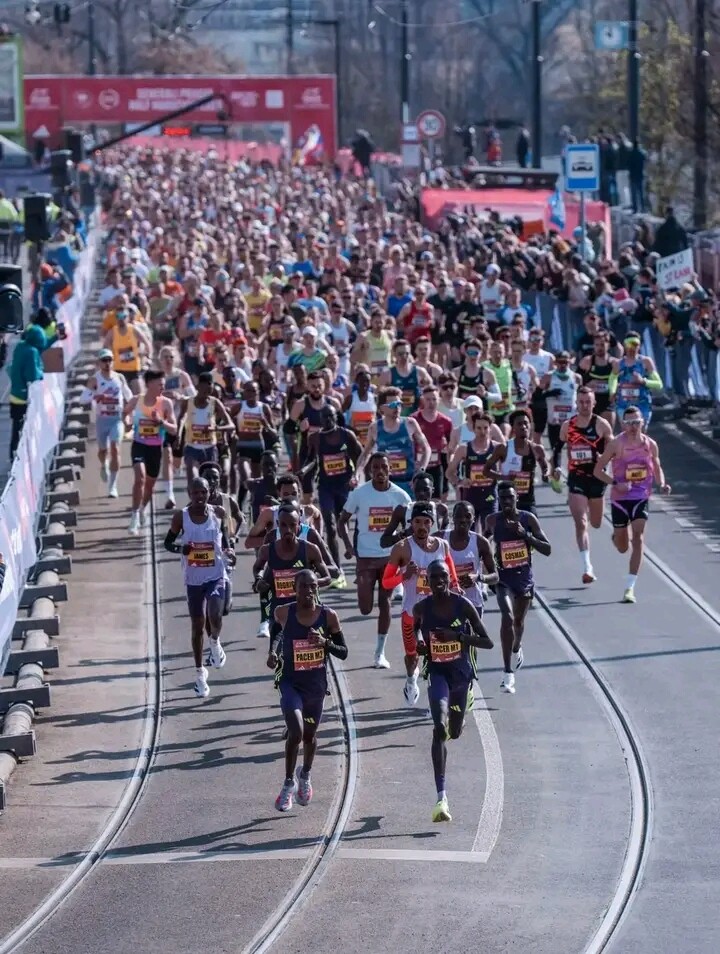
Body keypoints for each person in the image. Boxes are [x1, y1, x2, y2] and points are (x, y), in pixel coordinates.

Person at [414, 559, 494, 822]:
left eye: (443, 577)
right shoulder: (421, 608)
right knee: (439, 728)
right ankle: (441, 798)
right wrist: (420, 644)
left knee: (455, 732)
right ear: (427, 581)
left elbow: (487, 642)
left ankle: (466, 700)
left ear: (450, 579)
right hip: (437, 674)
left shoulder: (463, 605)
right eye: (434, 577)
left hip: (460, 676)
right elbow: (416, 634)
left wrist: (457, 637)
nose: (439, 582)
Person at [268, 570, 347, 812]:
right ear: (295, 588)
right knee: (296, 731)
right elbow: (277, 633)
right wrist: (272, 652)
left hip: (315, 687)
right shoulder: (283, 612)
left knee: (310, 737)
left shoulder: (328, 616)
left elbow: (343, 652)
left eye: (313, 586)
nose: (309, 590)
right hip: (290, 683)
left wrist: (325, 643)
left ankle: (305, 775)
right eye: (303, 586)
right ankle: (288, 784)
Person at [337, 453, 411, 669]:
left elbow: (410, 527)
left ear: (390, 470)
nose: (380, 471)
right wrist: (348, 546)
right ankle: (363, 588)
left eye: (384, 467)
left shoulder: (401, 496)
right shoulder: (360, 494)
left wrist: (403, 550)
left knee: (385, 603)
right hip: (366, 557)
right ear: (370, 471)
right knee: (365, 608)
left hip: (389, 557)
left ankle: (380, 653)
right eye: (375, 467)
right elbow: (342, 521)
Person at [163, 477, 235, 698]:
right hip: (193, 579)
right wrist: (181, 550)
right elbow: (168, 543)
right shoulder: (181, 517)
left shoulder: (218, 513)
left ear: (209, 492)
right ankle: (200, 674)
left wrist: (229, 552)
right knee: (197, 625)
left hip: (215, 575)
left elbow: (226, 541)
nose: (199, 497)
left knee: (215, 614)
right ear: (189, 493)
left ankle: (215, 643)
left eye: (203, 492)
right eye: (195, 493)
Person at [382, 502, 458, 707]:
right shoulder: (401, 548)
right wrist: (404, 575)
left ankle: (437, 700)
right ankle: (411, 680)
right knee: (412, 657)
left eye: (426, 522)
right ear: (411, 523)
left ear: (432, 523)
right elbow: (386, 582)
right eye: (417, 522)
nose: (422, 526)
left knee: (439, 657)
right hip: (411, 614)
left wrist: (456, 588)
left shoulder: (442, 546)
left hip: (439, 613)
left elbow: (452, 575)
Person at [593, 405, 671, 603]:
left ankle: (630, 587)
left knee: (638, 537)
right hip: (620, 499)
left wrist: (662, 483)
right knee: (622, 547)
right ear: (623, 424)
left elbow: (657, 467)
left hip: (640, 496)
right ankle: (617, 537)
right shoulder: (616, 444)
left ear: (642, 423)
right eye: (629, 423)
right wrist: (615, 483)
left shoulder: (650, 444)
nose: (633, 427)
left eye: (636, 422)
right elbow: (597, 471)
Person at [485, 482, 551, 694]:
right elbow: (483, 545)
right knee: (507, 616)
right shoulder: (492, 520)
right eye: (502, 498)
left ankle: (516, 647)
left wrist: (526, 536)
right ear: (498, 499)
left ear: (516, 499)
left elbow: (548, 549)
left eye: (510, 498)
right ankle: (507, 673)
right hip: (502, 579)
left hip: (523, 579)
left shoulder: (528, 519)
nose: (506, 502)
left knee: (518, 622)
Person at [551, 387, 613, 584]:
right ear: (576, 403)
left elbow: (613, 451)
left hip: (596, 479)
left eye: (588, 402)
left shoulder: (602, 425)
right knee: (581, 523)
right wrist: (556, 468)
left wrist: (603, 458)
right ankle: (587, 566)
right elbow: (558, 449)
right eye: (581, 402)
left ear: (594, 403)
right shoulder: (567, 426)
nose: (585, 406)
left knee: (596, 523)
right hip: (576, 478)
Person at [299, 403, 363, 586]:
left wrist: (356, 475)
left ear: (336, 417)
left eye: (331, 416)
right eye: (324, 417)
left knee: (347, 525)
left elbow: (360, 456)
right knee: (330, 525)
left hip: (344, 487)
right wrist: (304, 470)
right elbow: (311, 460)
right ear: (320, 419)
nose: (327, 420)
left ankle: (359, 561)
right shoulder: (315, 438)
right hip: (326, 487)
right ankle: (337, 570)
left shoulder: (346, 435)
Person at [254, 506, 331, 651]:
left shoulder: (310, 549)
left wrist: (309, 584)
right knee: (278, 654)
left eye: (292, 525)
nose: (288, 530)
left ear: (299, 525)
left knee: (307, 651)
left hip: (307, 611)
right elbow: (258, 567)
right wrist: (259, 580)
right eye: (283, 525)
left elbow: (327, 578)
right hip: (279, 612)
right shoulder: (267, 550)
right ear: (278, 524)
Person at [124, 369, 178, 535]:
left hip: (155, 448)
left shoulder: (166, 403)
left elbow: (174, 429)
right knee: (139, 477)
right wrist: (127, 423)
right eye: (160, 384)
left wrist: (161, 422)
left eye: (163, 384)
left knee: (149, 485)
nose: (163, 387)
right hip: (139, 445)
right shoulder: (136, 400)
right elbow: (125, 413)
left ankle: (142, 509)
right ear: (149, 384)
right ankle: (134, 517)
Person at [357, 387, 431, 495]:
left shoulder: (410, 423)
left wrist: (421, 469)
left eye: (399, 404)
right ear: (382, 408)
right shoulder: (374, 428)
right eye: (392, 405)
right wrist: (357, 473)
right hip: (385, 485)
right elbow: (365, 454)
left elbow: (426, 448)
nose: (397, 408)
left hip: (408, 483)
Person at [79, 348, 132, 498]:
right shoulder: (94, 379)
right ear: (99, 362)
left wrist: (129, 416)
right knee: (103, 451)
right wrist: (95, 396)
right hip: (102, 420)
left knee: (115, 448)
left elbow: (130, 397)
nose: (107, 363)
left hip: (116, 419)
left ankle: (112, 486)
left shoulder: (119, 378)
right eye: (104, 360)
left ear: (113, 361)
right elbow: (82, 399)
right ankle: (104, 465)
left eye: (109, 360)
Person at [176, 371, 236, 489]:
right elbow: (181, 418)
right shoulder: (188, 402)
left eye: (209, 391)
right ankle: (194, 500)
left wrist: (216, 428)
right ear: (198, 387)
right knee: (193, 481)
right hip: (192, 447)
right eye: (204, 390)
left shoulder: (215, 403)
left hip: (210, 448)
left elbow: (231, 425)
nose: (206, 394)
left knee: (211, 484)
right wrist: (178, 435)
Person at [483, 409, 549, 515]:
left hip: (527, 502)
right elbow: (486, 471)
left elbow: (545, 469)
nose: (523, 427)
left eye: (526, 423)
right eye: (519, 424)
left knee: (534, 526)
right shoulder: (503, 448)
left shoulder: (537, 449)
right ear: (513, 428)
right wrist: (504, 477)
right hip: (505, 502)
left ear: (530, 426)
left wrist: (546, 474)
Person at [447, 412, 500, 533]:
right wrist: (460, 482)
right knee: (469, 533)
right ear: (473, 429)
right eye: (479, 428)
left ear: (490, 428)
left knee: (490, 531)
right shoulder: (464, 449)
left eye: (485, 428)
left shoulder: (498, 448)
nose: (482, 432)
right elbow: (449, 473)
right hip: (470, 497)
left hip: (490, 496)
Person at [440, 500, 498, 610]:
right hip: (446, 603)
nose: (463, 520)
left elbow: (495, 577)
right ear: (453, 518)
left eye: (467, 516)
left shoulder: (481, 542)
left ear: (473, 519)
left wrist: (477, 577)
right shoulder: (440, 538)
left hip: (473, 603)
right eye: (459, 516)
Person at [610, 331, 663, 428]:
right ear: (625, 345)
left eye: (635, 345)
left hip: (642, 404)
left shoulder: (646, 362)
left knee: (641, 432)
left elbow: (659, 384)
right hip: (624, 405)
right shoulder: (618, 363)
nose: (632, 348)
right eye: (629, 344)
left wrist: (643, 381)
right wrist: (612, 391)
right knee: (626, 432)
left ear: (639, 346)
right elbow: (612, 378)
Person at [8, 325, 46, 459]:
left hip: (14, 396)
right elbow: (32, 374)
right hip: (25, 397)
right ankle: (23, 459)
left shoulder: (20, 347)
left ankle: (13, 456)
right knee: (25, 431)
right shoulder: (32, 351)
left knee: (16, 430)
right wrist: (42, 374)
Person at [412, 386, 453, 500]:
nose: (431, 403)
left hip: (436, 466)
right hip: (418, 465)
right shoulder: (414, 419)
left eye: (434, 399)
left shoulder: (446, 421)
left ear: (439, 399)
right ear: (422, 400)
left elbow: (451, 445)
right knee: (417, 498)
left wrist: (450, 461)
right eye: (428, 399)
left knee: (436, 500)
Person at [103, 307, 151, 396]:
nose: (121, 319)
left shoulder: (133, 329)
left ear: (128, 317)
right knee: (121, 396)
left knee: (139, 395)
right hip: (118, 369)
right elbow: (104, 348)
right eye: (118, 316)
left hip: (134, 369)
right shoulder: (112, 332)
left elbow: (147, 343)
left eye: (123, 316)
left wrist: (147, 356)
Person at [380, 339, 433, 416]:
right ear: (394, 354)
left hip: (415, 416)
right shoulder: (387, 374)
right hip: (396, 416)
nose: (404, 357)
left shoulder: (420, 372)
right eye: (400, 354)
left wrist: (422, 397)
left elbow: (432, 392)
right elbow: (380, 400)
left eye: (407, 353)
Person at [579, 331, 617, 428]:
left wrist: (614, 390)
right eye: (597, 345)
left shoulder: (614, 363)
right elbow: (576, 381)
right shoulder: (586, 361)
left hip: (607, 403)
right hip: (589, 403)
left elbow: (620, 382)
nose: (599, 348)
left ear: (608, 345)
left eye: (602, 345)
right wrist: (586, 385)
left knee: (607, 432)